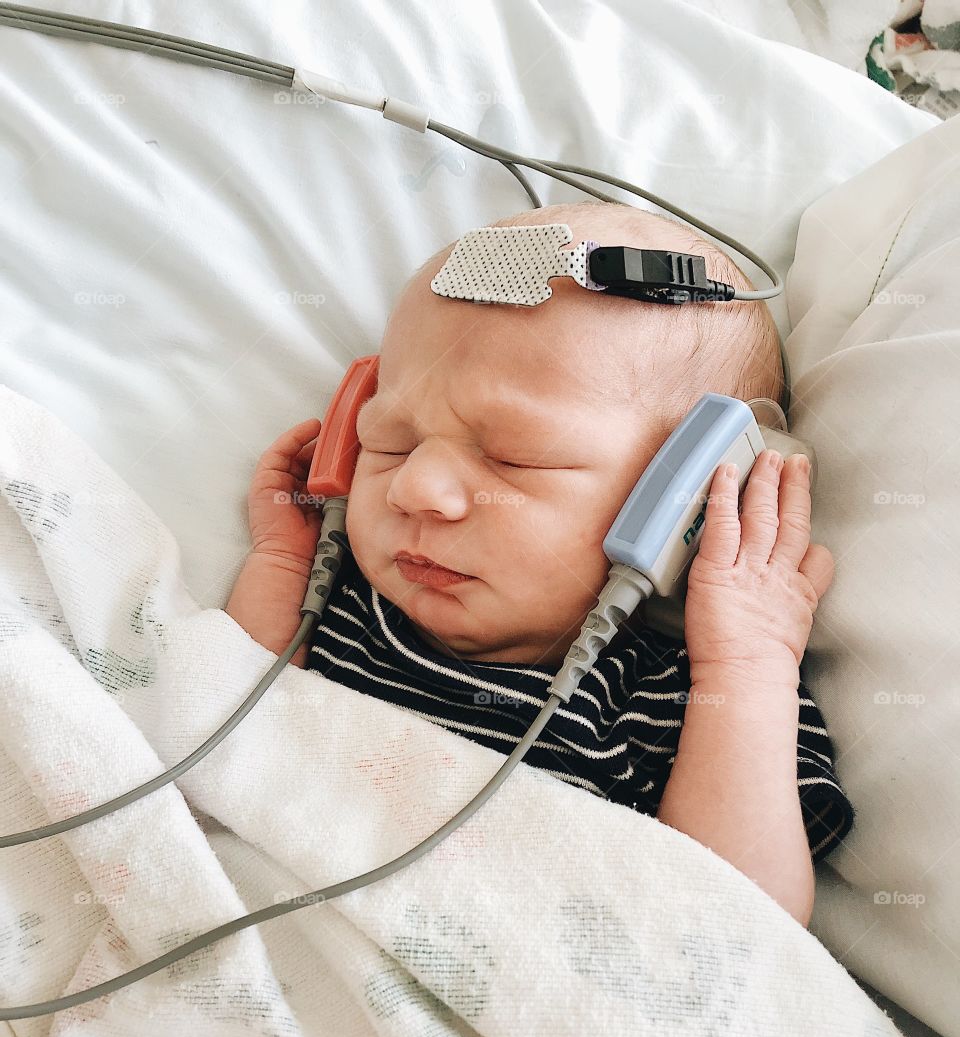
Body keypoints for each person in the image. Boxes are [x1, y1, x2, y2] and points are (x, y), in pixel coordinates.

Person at [224, 200, 854, 928]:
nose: (413, 488)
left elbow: (739, 926)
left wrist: (749, 665)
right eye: (388, 441)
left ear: (693, 502)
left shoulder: (688, 701)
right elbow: (218, 720)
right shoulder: (340, 600)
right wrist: (281, 556)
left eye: (512, 457)